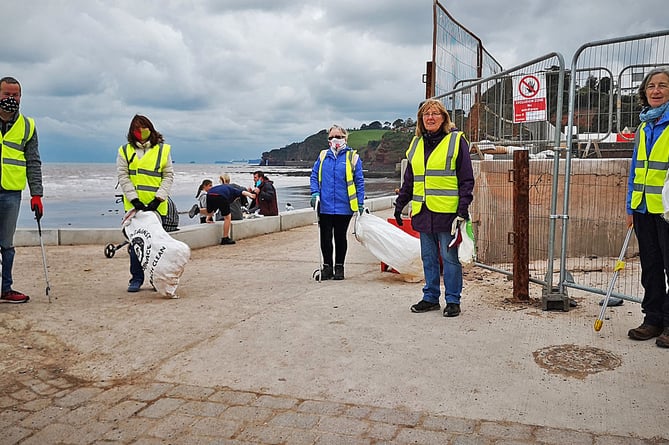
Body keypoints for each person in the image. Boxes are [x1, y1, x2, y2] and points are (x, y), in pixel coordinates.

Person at [393, 99, 474, 317]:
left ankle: (453, 300)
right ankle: (430, 297)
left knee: (449, 258)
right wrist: (400, 204)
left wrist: (463, 207)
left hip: (447, 212)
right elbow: (410, 180)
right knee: (428, 258)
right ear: (421, 119)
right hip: (422, 211)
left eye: (435, 113)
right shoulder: (416, 144)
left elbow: (466, 179)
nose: (430, 117)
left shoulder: (456, 141)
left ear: (443, 118)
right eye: (426, 114)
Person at [626, 67, 669, 348]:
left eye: (663, 85)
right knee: (651, 266)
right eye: (651, 86)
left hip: (667, 210)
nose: (656, 90)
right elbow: (635, 169)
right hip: (643, 208)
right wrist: (630, 206)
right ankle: (652, 318)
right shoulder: (644, 126)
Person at [117, 114, 174, 293]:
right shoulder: (124, 151)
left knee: (157, 245)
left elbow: (168, 176)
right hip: (134, 207)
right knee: (136, 244)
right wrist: (134, 199)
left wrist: (158, 200)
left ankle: (156, 278)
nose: (141, 132)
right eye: (137, 129)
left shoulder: (163, 150)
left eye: (144, 128)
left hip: (157, 205)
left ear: (151, 129)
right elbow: (123, 176)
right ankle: (136, 278)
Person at [0, 76, 43, 303]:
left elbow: (33, 161)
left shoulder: (27, 126)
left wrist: (37, 194)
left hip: (10, 193)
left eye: (15, 95)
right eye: (7, 94)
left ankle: (6, 290)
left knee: (6, 244)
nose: (11, 99)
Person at [309, 124, 365, 280]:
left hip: (344, 206)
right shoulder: (322, 156)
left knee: (340, 237)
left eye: (339, 137)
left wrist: (360, 203)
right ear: (328, 140)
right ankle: (327, 268)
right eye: (332, 137)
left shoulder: (352, 157)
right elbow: (314, 176)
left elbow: (359, 181)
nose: (335, 140)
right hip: (325, 205)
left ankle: (339, 267)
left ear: (345, 138)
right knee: (325, 237)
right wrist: (315, 193)